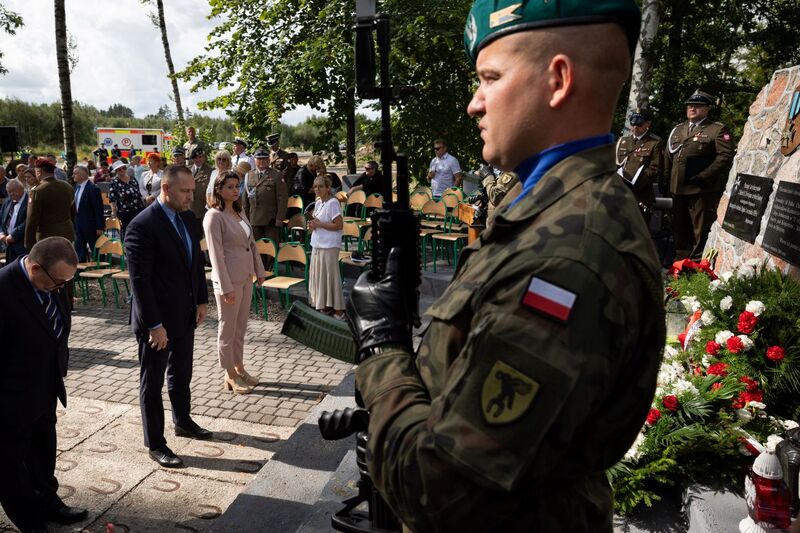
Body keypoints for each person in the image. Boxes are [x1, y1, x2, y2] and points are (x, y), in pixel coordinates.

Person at [344, 1, 666, 530]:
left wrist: (383, 350)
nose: (474, 104)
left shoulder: (568, 258)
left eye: (489, 78)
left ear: (557, 80)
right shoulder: (550, 207)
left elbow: (439, 491)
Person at [125, 165, 211, 468]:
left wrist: (201, 300)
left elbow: (195, 264)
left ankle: (183, 421)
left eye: (192, 191)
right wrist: (154, 325)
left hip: (185, 314)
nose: (191, 197)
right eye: (185, 192)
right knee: (153, 382)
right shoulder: (142, 226)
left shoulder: (188, 218)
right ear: (165, 188)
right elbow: (140, 282)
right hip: (157, 322)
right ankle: (156, 443)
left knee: (181, 374)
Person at [0, 237, 88, 532]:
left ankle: (49, 503)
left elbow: (56, 331)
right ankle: (29, 520)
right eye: (57, 282)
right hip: (10, 399)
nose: (62, 288)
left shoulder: (54, 280)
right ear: (36, 268)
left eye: (66, 282)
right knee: (11, 467)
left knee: (43, 453)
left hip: (45, 388)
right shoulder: (4, 289)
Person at [203, 171, 266, 395]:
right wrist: (225, 287)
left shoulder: (240, 212)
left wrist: (259, 270)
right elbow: (216, 256)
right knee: (227, 329)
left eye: (237, 186)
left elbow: (252, 244)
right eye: (229, 186)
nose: (234, 190)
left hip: (246, 277)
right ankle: (229, 374)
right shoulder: (214, 216)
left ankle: (239, 367)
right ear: (219, 190)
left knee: (240, 327)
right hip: (228, 281)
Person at [665, 90, 735, 260]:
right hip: (678, 187)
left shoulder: (717, 129)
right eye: (690, 105)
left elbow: (725, 155)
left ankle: (696, 265)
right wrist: (666, 180)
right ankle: (680, 264)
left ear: (707, 109)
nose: (692, 108)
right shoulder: (678, 129)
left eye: (697, 105)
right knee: (679, 228)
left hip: (701, 189)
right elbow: (668, 156)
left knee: (699, 229)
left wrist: (704, 176)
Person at [615, 108, 663, 223]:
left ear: (648, 124)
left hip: (640, 195)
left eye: (639, 123)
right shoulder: (623, 141)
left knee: (638, 230)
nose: (635, 126)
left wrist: (636, 184)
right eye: (633, 122)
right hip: (620, 193)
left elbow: (655, 168)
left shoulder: (654, 142)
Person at [242, 148, 287, 268]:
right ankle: (260, 268)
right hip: (254, 218)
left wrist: (280, 218)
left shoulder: (276, 175)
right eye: (259, 159)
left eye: (264, 159)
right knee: (257, 246)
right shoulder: (249, 175)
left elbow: (282, 198)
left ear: (269, 160)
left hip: (271, 219)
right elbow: (245, 200)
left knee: (271, 246)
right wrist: (245, 219)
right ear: (255, 160)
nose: (261, 162)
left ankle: (271, 269)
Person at [308, 175, 345, 319]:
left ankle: (339, 310)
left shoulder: (333, 203)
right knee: (320, 277)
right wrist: (312, 224)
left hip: (329, 245)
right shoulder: (318, 203)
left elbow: (339, 225)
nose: (317, 189)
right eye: (315, 186)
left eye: (320, 186)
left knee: (331, 277)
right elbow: (317, 223)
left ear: (328, 188)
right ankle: (326, 305)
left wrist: (320, 224)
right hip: (317, 243)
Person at [24, 159, 75, 251]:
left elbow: (32, 219)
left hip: (46, 237)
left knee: (48, 263)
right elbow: (73, 212)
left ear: (39, 172)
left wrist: (29, 243)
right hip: (67, 234)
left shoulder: (37, 191)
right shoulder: (67, 187)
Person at [72, 166, 105, 262]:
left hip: (91, 226)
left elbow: (98, 209)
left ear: (82, 175)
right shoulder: (77, 187)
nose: (73, 176)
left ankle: (99, 269)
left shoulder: (93, 189)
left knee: (96, 249)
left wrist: (99, 226)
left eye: (75, 174)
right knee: (79, 249)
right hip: (79, 225)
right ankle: (81, 273)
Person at [108, 160, 145, 242]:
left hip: (138, 210)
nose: (122, 170)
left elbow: (139, 193)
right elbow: (112, 198)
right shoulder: (114, 182)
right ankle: (126, 250)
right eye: (119, 169)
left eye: (123, 168)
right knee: (127, 232)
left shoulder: (133, 179)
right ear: (116, 171)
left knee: (138, 231)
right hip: (124, 212)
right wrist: (113, 211)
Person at [0, 178, 28, 262]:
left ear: (21, 188)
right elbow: (1, 218)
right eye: (9, 191)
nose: (11, 194)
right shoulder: (7, 201)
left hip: (21, 244)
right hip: (6, 243)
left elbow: (28, 222)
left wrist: (13, 235)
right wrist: (1, 233)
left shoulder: (30, 201)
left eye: (14, 191)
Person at [189, 148, 213, 227]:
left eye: (200, 157)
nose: (198, 159)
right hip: (188, 208)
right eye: (195, 157)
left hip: (203, 209)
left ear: (204, 158)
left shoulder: (210, 171)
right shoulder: (187, 170)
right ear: (192, 159)